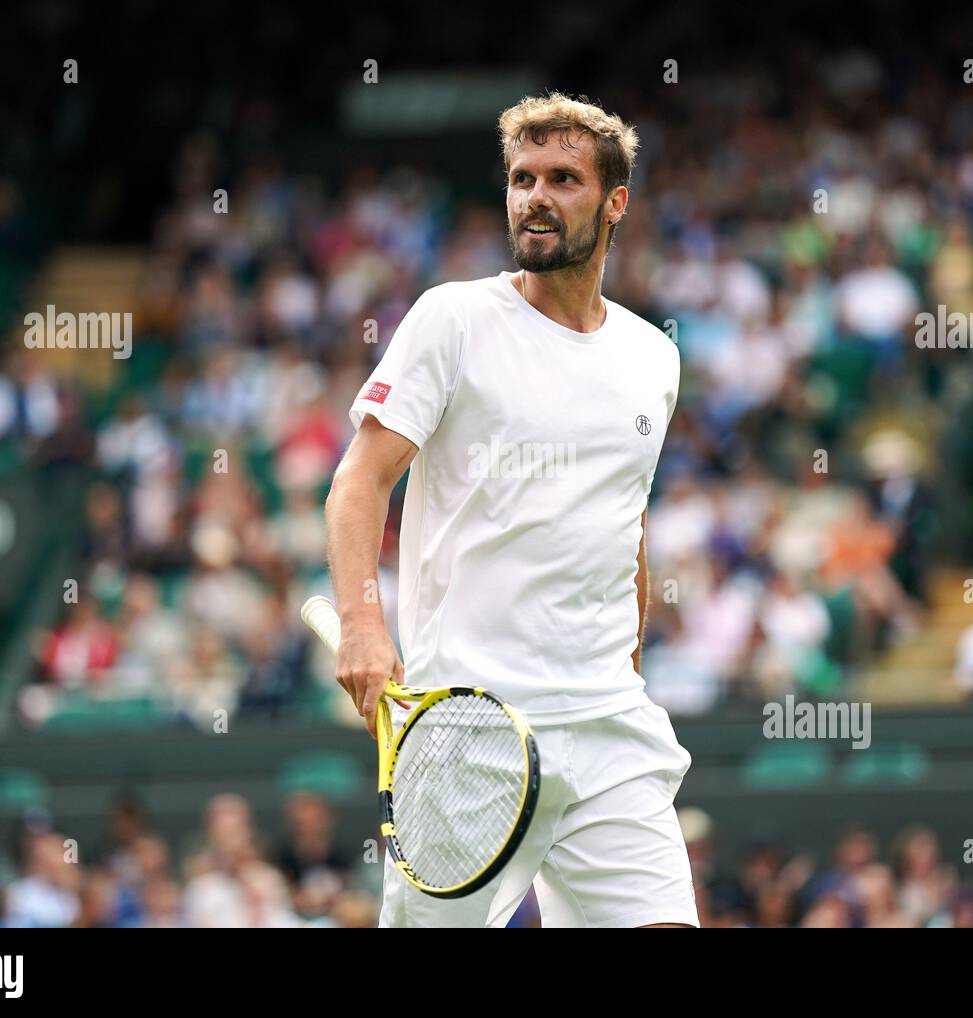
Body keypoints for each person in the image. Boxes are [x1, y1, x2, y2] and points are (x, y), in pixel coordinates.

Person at [325, 92, 696, 928]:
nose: (535, 197)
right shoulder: (451, 319)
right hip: (466, 735)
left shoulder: (653, 358)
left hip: (608, 726)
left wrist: (627, 661)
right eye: (522, 178)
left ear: (614, 202)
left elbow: (623, 521)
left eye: (563, 178)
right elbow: (359, 480)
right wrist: (361, 623)